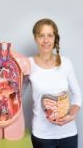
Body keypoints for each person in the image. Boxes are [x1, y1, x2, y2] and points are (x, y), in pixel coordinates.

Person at [28, 18, 82, 148]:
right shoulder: (28, 64)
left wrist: (72, 114)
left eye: (50, 35)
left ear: (55, 38)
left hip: (68, 134)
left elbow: (77, 95)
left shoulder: (66, 63)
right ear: (35, 38)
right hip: (42, 136)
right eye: (41, 36)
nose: (46, 40)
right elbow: (16, 96)